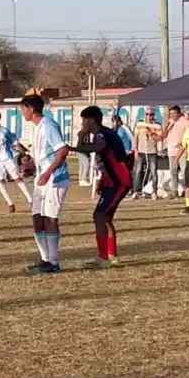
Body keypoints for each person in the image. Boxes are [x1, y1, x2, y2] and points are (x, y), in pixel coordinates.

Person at [72, 106, 132, 268]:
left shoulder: (102, 134)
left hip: (119, 181)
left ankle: (105, 256)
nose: (82, 123)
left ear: (92, 120)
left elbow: (96, 148)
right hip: (110, 181)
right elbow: (86, 151)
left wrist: (74, 146)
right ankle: (110, 256)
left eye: (84, 120)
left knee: (99, 215)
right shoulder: (100, 134)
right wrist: (81, 139)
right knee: (104, 218)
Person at [22, 94, 70, 274]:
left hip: (56, 179)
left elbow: (63, 149)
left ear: (31, 109)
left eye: (23, 109)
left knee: (50, 219)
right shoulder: (36, 128)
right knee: (37, 218)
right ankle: (45, 258)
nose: (22, 113)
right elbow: (44, 156)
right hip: (42, 179)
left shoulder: (48, 125)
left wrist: (49, 171)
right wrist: (30, 165)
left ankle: (54, 262)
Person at [0, 110, 32, 212]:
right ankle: (10, 204)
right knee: (1, 182)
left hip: (7, 159)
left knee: (17, 179)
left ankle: (31, 200)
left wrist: (23, 153)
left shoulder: (4, 131)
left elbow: (15, 142)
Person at [132, 108, 162, 198]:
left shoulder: (157, 125)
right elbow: (135, 138)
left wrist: (151, 132)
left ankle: (154, 192)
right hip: (141, 151)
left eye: (151, 114)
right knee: (137, 171)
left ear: (154, 115)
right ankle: (136, 191)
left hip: (152, 151)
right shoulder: (139, 124)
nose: (149, 116)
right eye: (147, 114)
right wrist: (135, 150)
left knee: (153, 172)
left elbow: (158, 139)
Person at [163, 105, 187, 198]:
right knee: (173, 172)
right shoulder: (169, 122)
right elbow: (164, 135)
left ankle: (187, 190)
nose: (172, 115)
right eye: (171, 113)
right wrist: (166, 127)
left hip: (182, 152)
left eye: (174, 113)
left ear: (179, 113)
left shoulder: (185, 122)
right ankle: (174, 191)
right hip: (171, 151)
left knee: (185, 172)